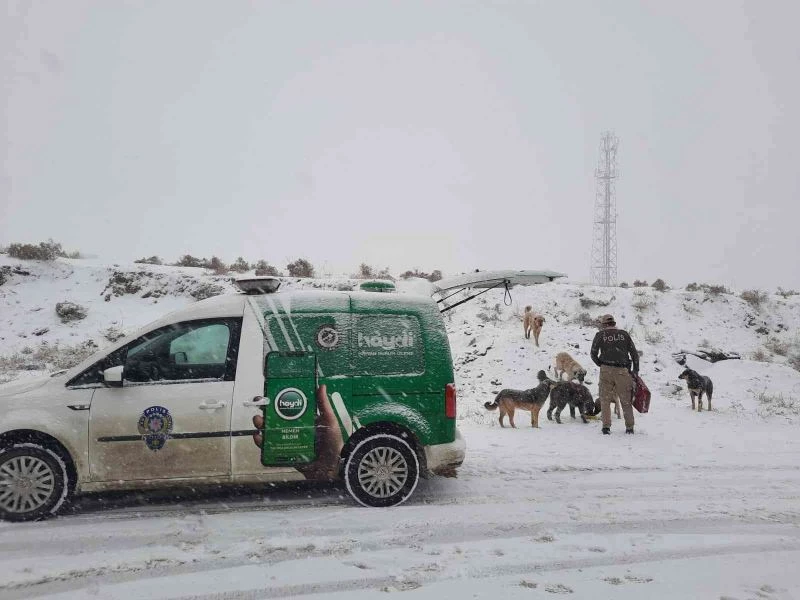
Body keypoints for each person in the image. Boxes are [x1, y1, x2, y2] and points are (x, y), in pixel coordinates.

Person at [590, 314, 639, 435]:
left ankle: (606, 427)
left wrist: (600, 364)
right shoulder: (624, 334)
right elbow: (634, 353)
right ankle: (629, 427)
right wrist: (635, 371)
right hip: (622, 371)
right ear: (613, 323)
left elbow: (593, 353)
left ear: (604, 324)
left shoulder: (600, 335)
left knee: (605, 399)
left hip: (606, 370)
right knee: (625, 400)